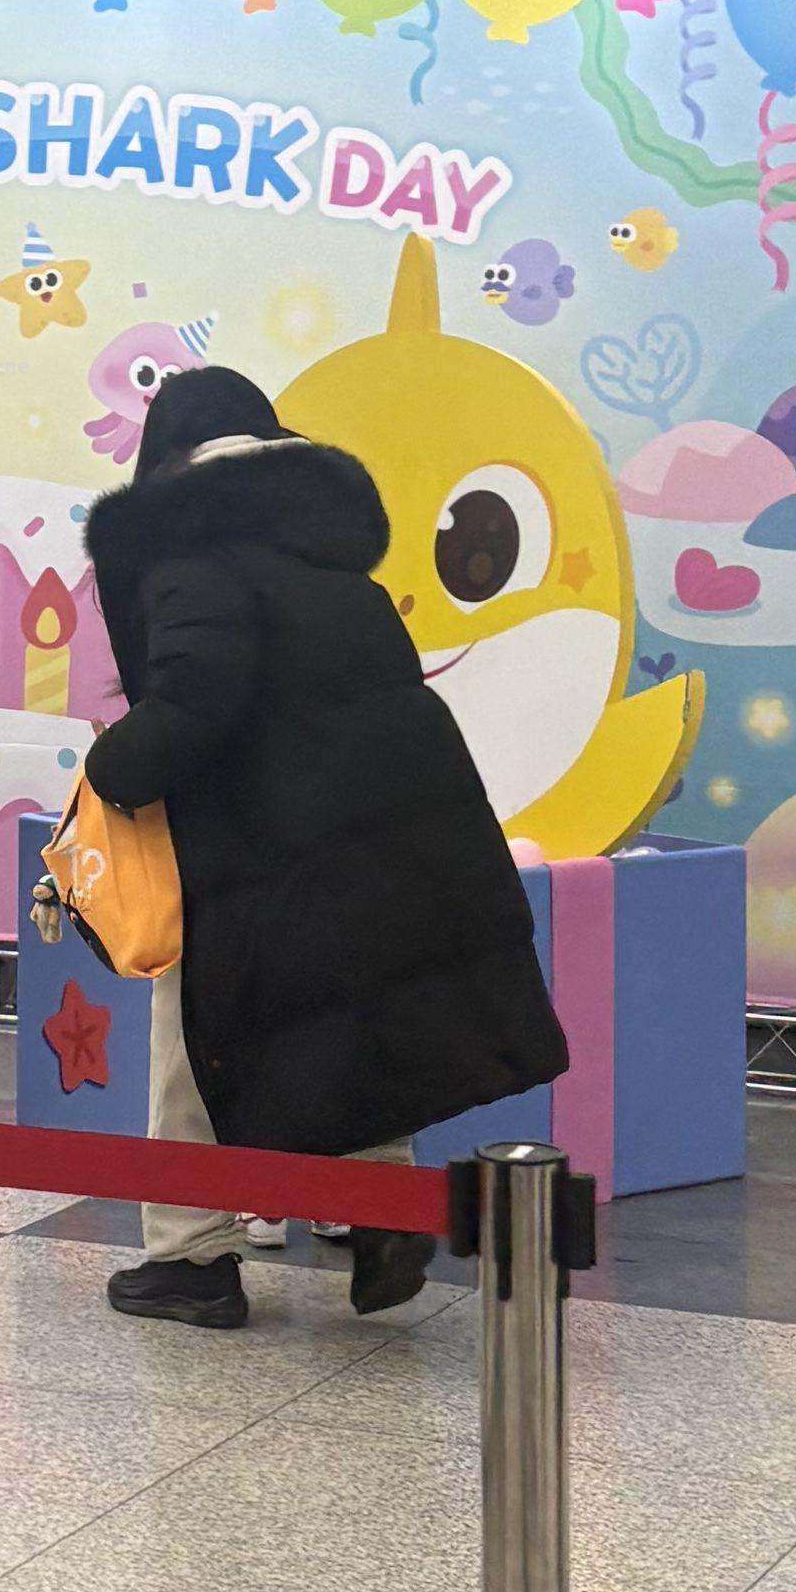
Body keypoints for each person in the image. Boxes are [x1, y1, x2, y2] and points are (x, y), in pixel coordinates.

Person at [79, 363, 567, 1331]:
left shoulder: (194, 553)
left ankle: (191, 1257)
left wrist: (110, 765)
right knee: (342, 1021)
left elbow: (196, 700)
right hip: (370, 838)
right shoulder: (328, 556)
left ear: (168, 460)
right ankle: (380, 1218)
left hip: (254, 848)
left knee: (195, 1043)